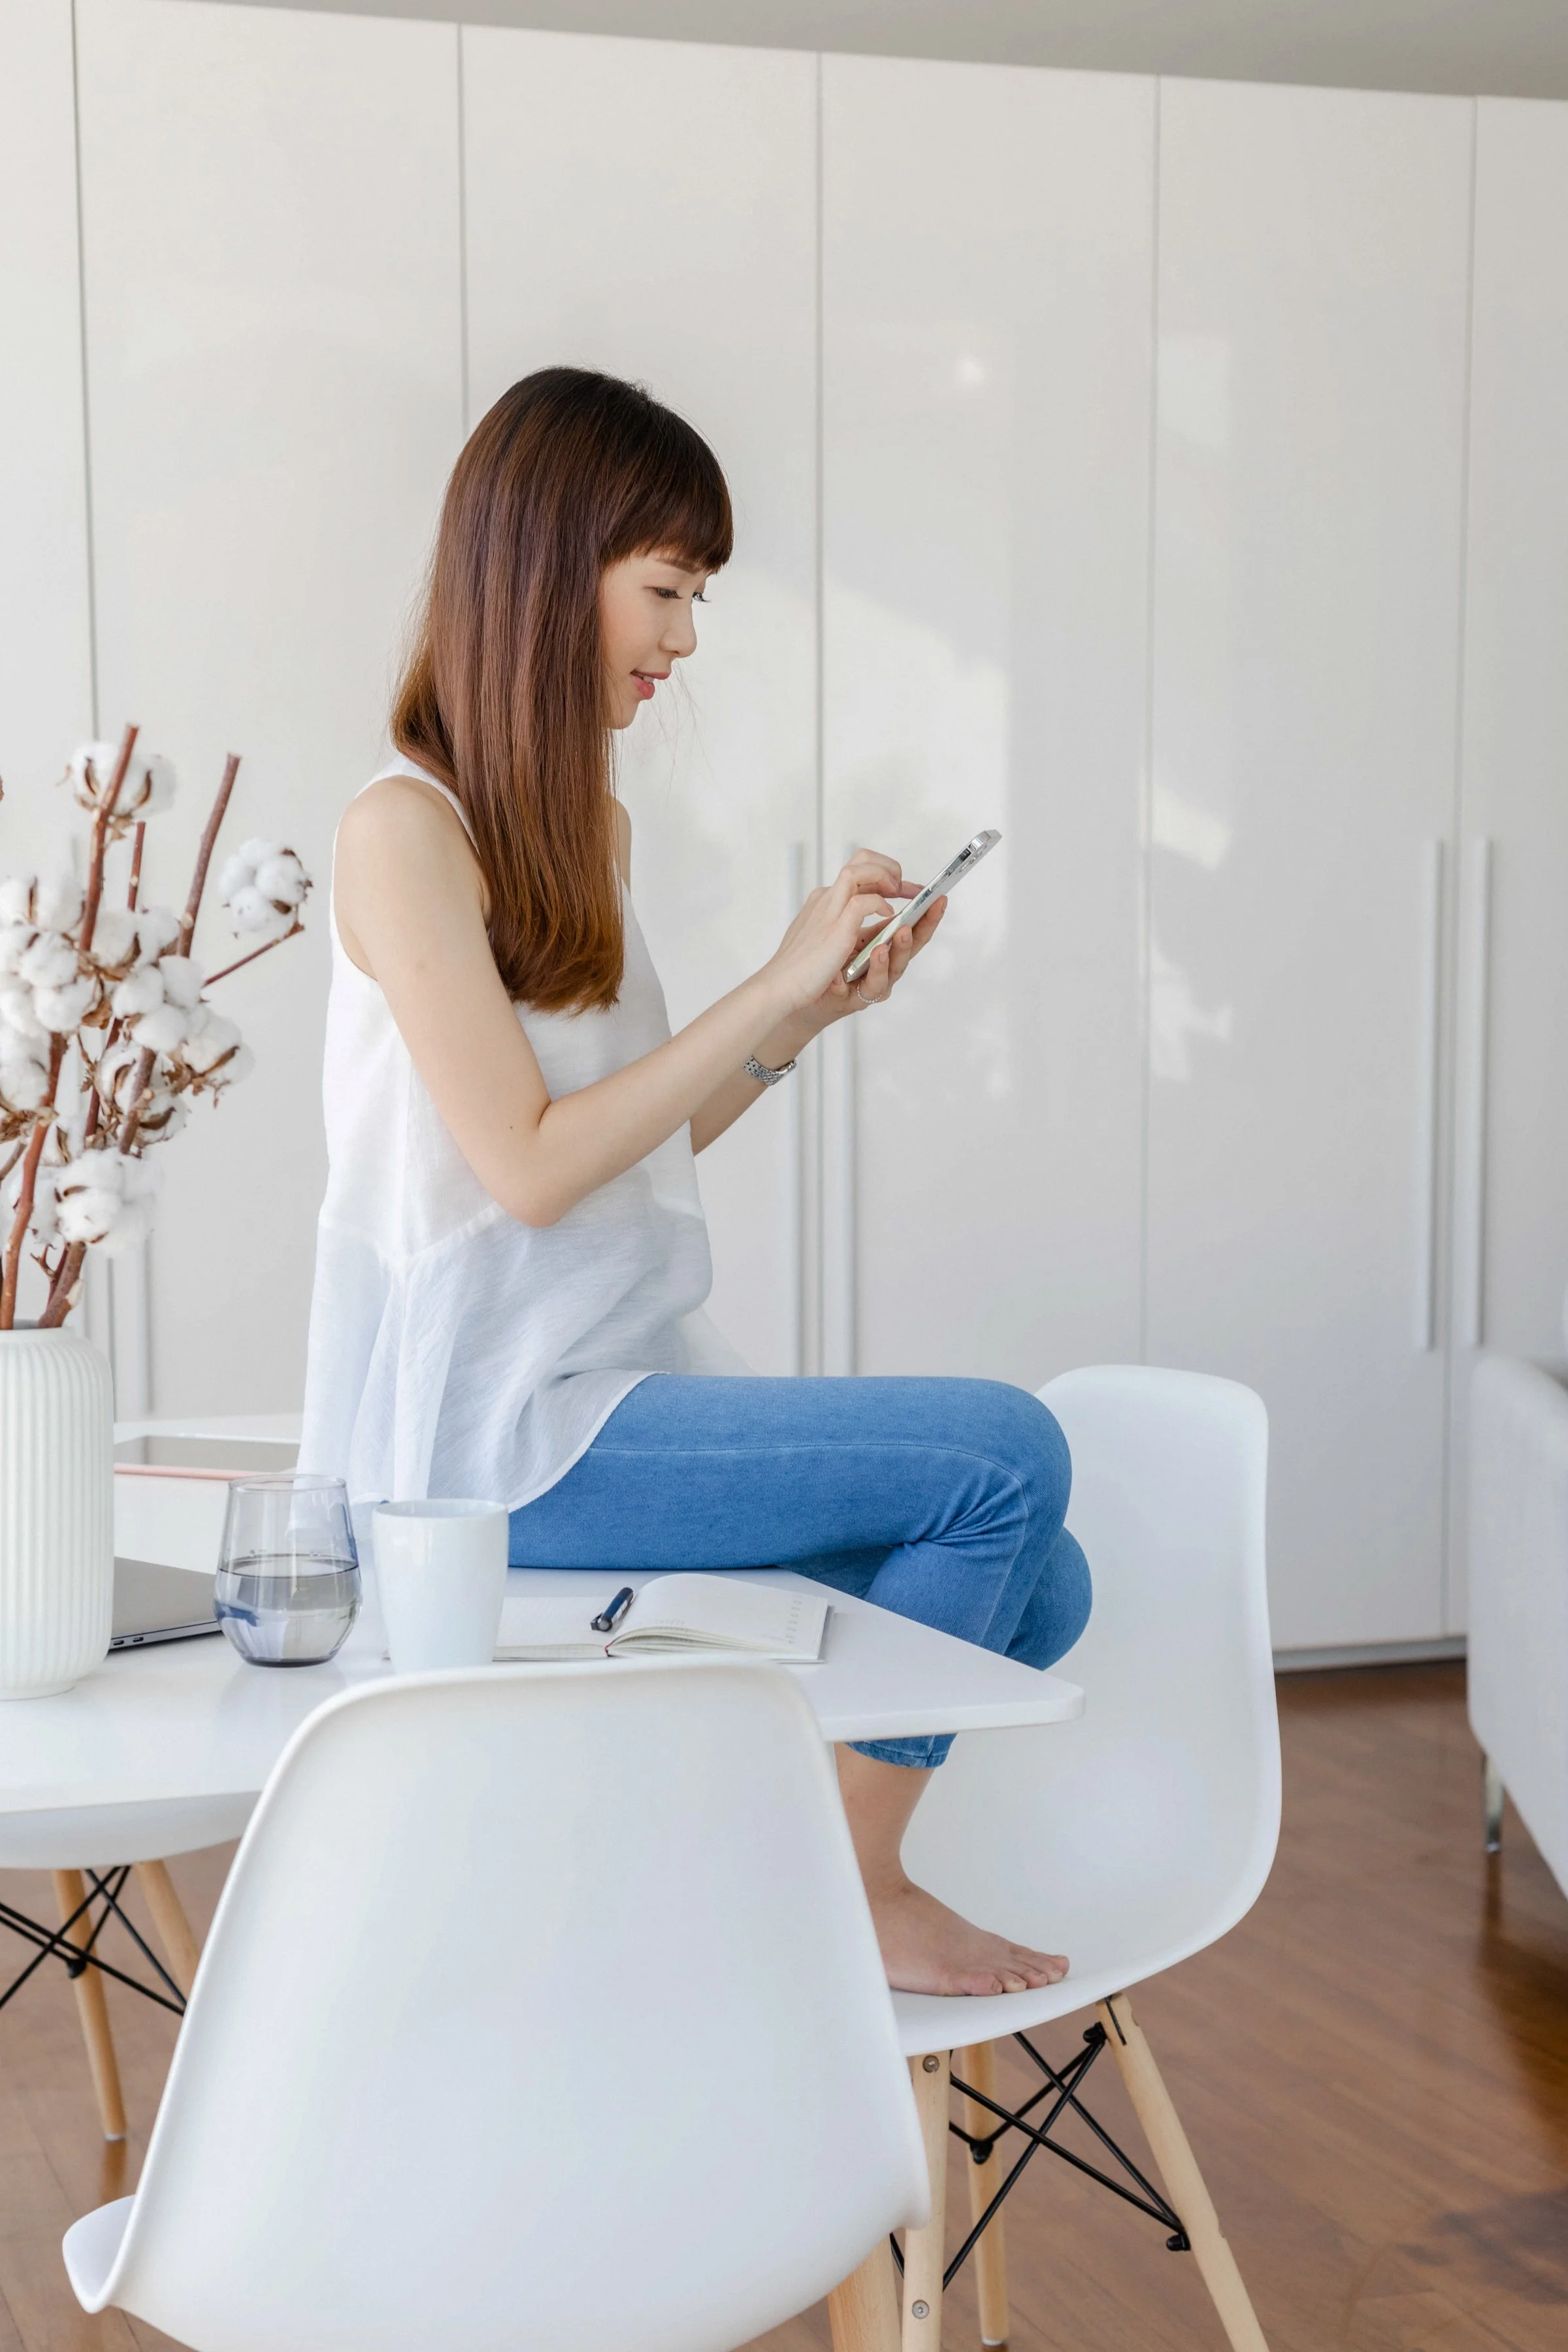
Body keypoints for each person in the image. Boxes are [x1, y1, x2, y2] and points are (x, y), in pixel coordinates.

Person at [301, 366, 1090, 1997]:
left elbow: (618, 1153)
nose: (686, 639)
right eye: (667, 589)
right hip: (489, 1440)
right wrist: (759, 987)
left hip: (605, 1389)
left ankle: (724, 1870)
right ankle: (844, 1890)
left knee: (1046, 1577)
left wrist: (801, 1018)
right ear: (545, 568)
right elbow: (519, 1174)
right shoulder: (404, 833)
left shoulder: (578, 826)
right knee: (1002, 1462)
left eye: (696, 597)